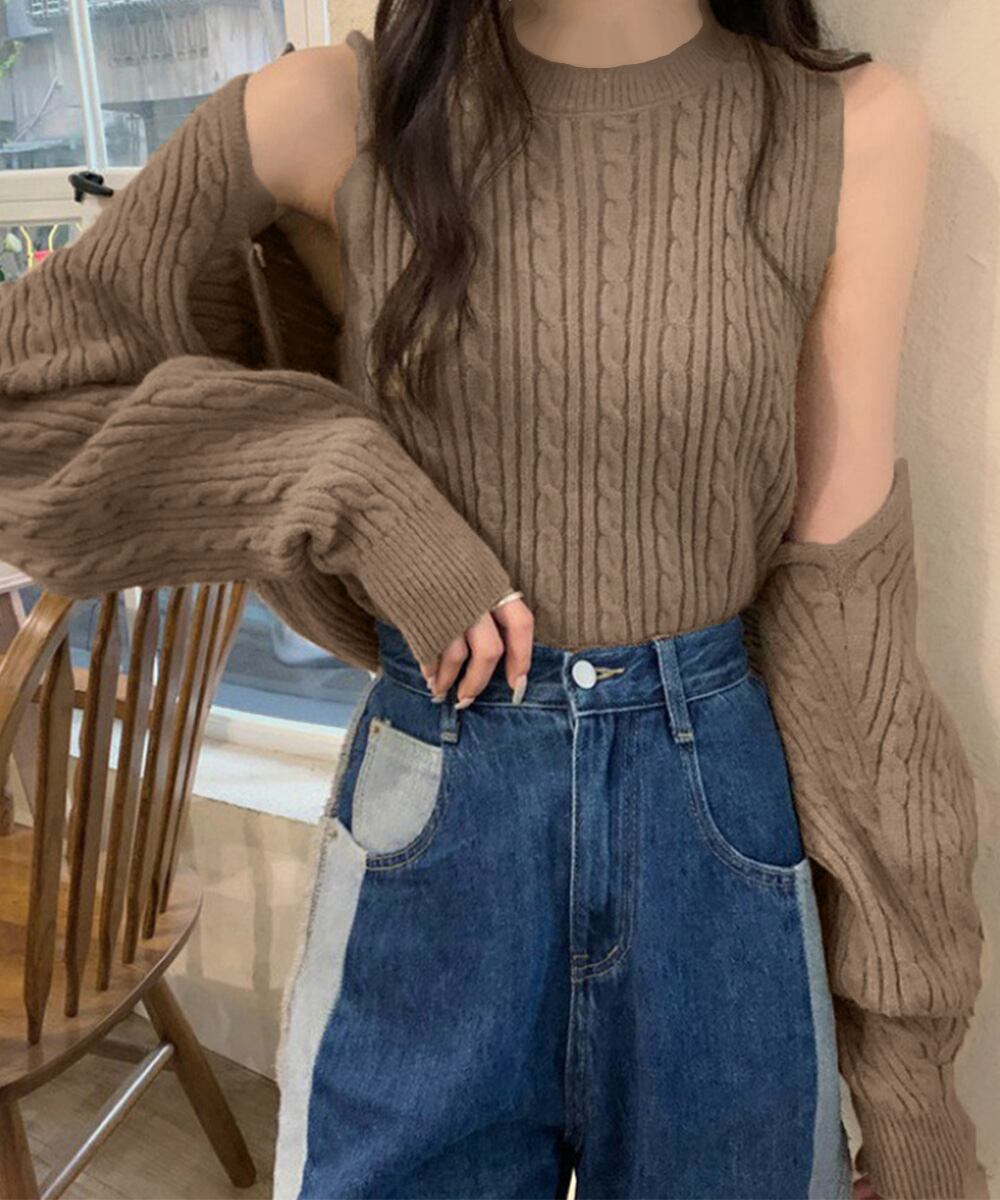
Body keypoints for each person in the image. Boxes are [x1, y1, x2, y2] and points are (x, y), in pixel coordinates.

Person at [0, 2, 986, 1198]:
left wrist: (910, 1088)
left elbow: (841, 618)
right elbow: (23, 399)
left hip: (714, 836)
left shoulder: (843, 128)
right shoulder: (335, 114)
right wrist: (344, 482)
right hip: (443, 809)